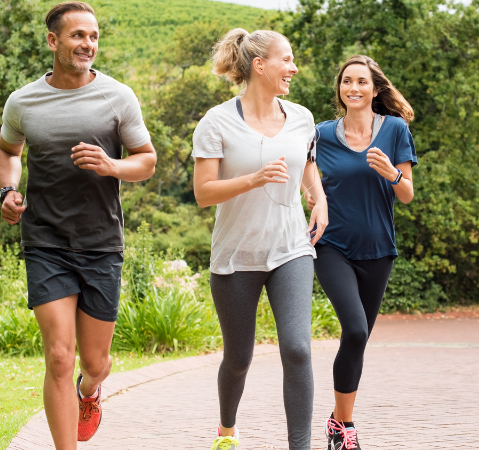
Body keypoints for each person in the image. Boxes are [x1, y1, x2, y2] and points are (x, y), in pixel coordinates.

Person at [0, 2, 156, 448]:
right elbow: (7, 151)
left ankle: (91, 391)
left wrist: (110, 165)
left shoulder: (117, 96)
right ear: (53, 41)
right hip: (45, 240)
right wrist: (8, 192)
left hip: (101, 242)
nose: (88, 44)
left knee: (95, 362)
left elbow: (146, 161)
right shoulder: (23, 101)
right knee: (60, 358)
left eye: (94, 36)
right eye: (78, 36)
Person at [191, 28, 328, 450]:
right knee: (238, 359)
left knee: (298, 349)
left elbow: (306, 162)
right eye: (286, 59)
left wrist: (319, 198)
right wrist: (252, 178)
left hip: (291, 249)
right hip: (236, 256)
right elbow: (203, 193)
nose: (293, 67)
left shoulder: (302, 118)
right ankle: (227, 430)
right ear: (260, 65)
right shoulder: (217, 122)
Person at [309, 55, 417, 450]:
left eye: (361, 81)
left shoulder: (395, 130)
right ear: (340, 89)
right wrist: (313, 199)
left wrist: (392, 172)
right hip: (332, 245)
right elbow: (308, 181)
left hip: (378, 250)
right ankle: (348, 425)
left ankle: (336, 422)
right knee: (354, 328)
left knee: (358, 339)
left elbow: (407, 194)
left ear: (375, 89)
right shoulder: (321, 134)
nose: (353, 87)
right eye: (346, 81)